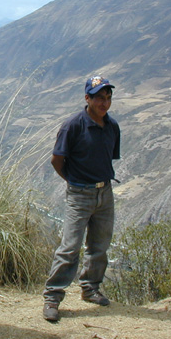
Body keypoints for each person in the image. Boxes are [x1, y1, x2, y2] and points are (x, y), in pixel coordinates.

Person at [42, 75, 121, 322]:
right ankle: (52, 297)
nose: (104, 102)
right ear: (87, 98)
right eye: (99, 97)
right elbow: (57, 160)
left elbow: (109, 157)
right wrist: (74, 181)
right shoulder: (73, 126)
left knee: (99, 245)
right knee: (70, 247)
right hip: (79, 194)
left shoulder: (112, 126)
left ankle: (90, 289)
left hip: (104, 193)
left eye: (107, 97)